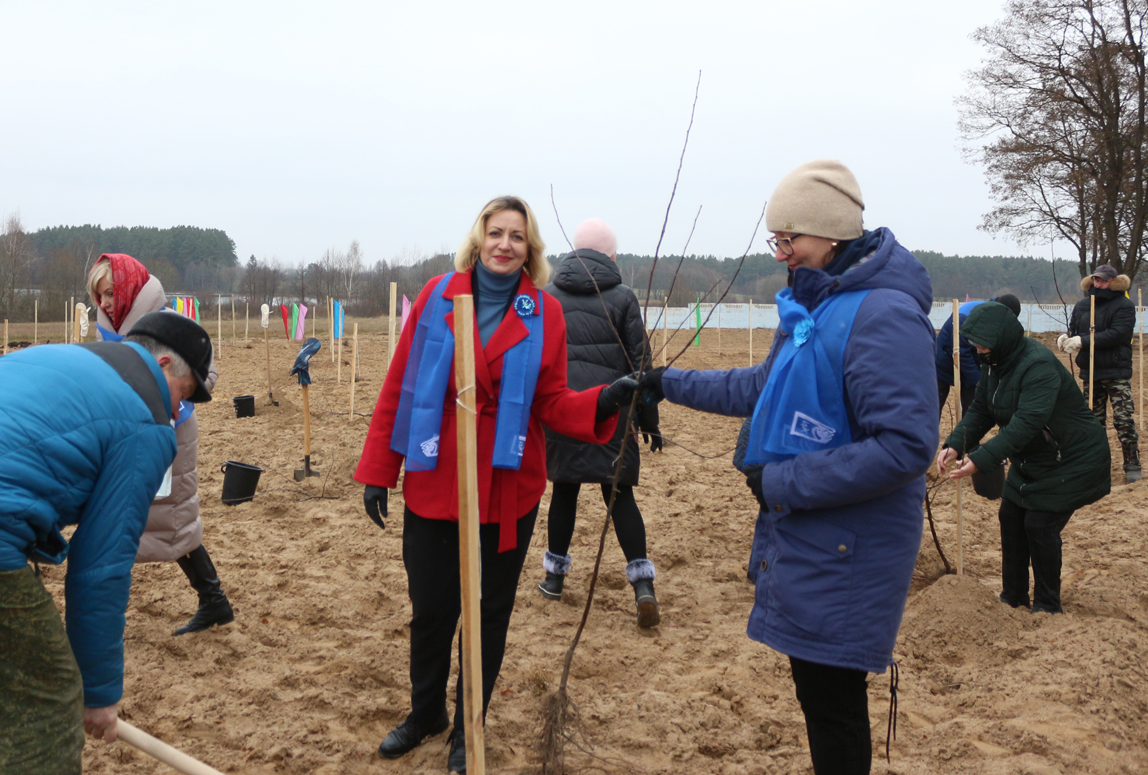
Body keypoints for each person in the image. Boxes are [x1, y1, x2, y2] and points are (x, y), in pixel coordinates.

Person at [632, 160, 939, 775]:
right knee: (820, 699)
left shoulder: (882, 315)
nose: (781, 253)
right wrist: (663, 383)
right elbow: (763, 386)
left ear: (830, 233)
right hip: (813, 534)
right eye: (777, 239)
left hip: (851, 545)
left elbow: (906, 447)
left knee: (834, 707)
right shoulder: (820, 305)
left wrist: (779, 483)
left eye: (787, 238)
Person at [353, 196, 630, 774]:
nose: (505, 244)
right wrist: (380, 468)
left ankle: (467, 728)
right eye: (495, 232)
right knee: (431, 609)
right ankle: (425, 711)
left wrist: (602, 399)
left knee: (488, 614)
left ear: (531, 250)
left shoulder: (544, 312)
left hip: (506, 486)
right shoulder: (436, 297)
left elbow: (551, 401)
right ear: (478, 238)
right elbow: (401, 382)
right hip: (434, 477)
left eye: (518, 237)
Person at [0, 312, 212, 774]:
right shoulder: (145, 419)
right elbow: (101, 567)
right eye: (183, 396)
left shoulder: (62, 358)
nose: (176, 413)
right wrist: (97, 692)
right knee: (44, 701)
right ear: (164, 363)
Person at [88, 253, 234, 635]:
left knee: (174, 520)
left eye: (107, 294)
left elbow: (208, 373)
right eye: (99, 297)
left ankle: (213, 600)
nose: (102, 304)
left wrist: (173, 395)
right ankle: (107, 612)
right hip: (124, 431)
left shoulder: (168, 320)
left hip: (170, 429)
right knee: (120, 518)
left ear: (127, 290)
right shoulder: (107, 327)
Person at [941, 301, 1110, 613]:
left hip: (1071, 458)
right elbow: (981, 409)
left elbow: (1026, 424)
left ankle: (1047, 604)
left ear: (1000, 339)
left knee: (1040, 524)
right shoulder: (994, 363)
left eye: (982, 344)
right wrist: (955, 443)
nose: (977, 350)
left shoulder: (1037, 365)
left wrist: (981, 460)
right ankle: (1013, 597)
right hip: (1034, 458)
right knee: (1010, 516)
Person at [540, 218, 664, 628]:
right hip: (612, 417)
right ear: (611, 256)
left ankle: (554, 579)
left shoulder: (548, 296)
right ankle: (643, 586)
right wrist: (650, 420)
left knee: (564, 493)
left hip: (563, 414)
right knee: (620, 498)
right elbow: (641, 365)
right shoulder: (624, 297)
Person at [1060, 264, 1140, 482]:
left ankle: (1132, 463)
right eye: (1096, 280)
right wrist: (1067, 337)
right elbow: (1076, 330)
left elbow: (1118, 334)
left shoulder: (1124, 305)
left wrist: (1083, 341)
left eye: (1103, 280)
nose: (1099, 284)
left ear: (1113, 282)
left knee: (1123, 420)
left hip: (1116, 372)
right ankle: (1095, 465)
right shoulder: (1083, 305)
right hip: (1091, 372)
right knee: (1093, 423)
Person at [934, 294, 1021, 416]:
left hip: (973, 365)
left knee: (972, 408)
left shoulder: (999, 319)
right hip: (945, 360)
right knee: (934, 405)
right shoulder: (967, 316)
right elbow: (962, 352)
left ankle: (965, 434)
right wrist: (977, 379)